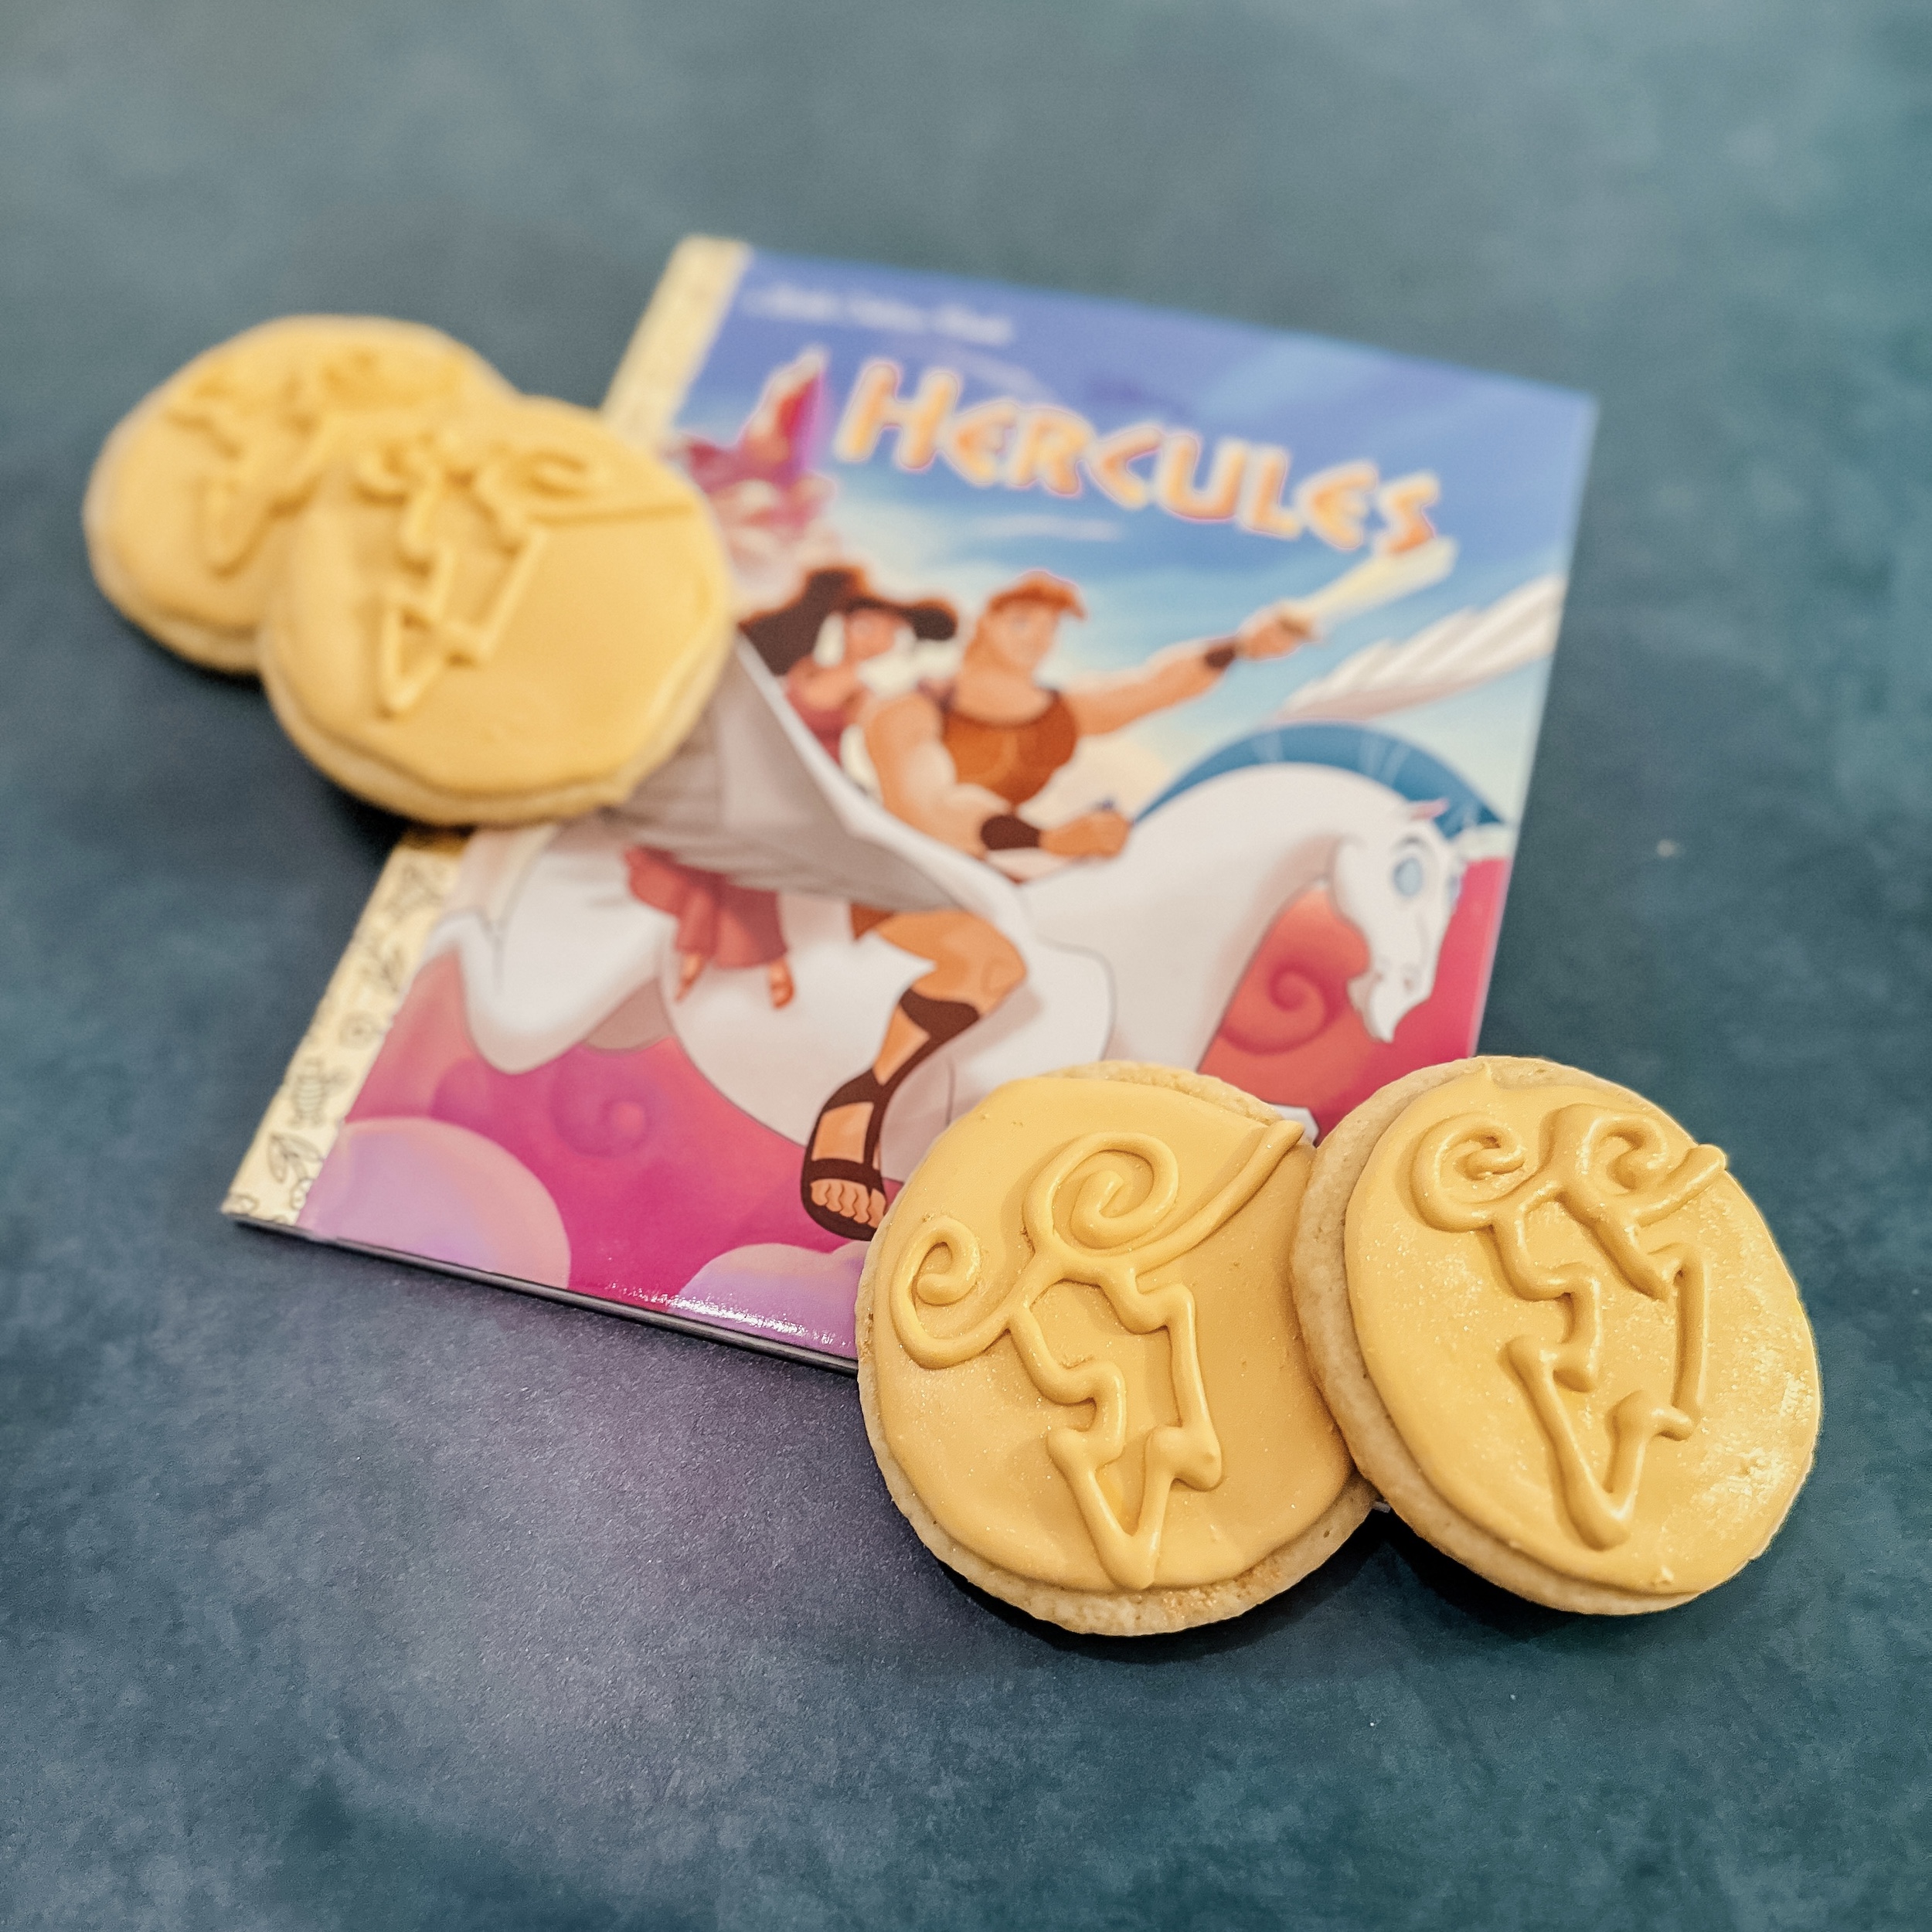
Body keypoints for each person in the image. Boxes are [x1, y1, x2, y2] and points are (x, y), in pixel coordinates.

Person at [799, 570, 1316, 1240]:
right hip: (899, 877)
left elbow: (1149, 688)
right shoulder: (908, 710)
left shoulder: (1052, 715)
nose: (1036, 642)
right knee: (985, 964)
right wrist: (1052, 837)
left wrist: (1241, 646)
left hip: (988, 877)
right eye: (1022, 623)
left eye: (1048, 631)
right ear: (984, 622)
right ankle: (860, 1103)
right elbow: (930, 808)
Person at [622, 566, 957, 1013]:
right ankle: (694, 961)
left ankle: (771, 965)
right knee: (712, 863)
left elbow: (881, 731)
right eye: (867, 627)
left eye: (889, 633)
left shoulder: (863, 692)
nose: (877, 639)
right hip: (762, 774)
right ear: (844, 625)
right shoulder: (806, 667)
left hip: (803, 793)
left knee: (756, 872)